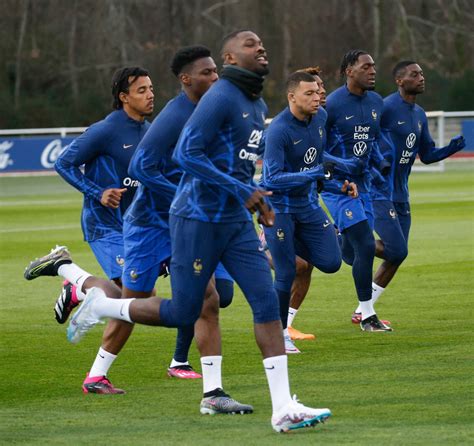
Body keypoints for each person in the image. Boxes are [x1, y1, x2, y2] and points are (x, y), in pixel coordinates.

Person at [63, 30, 332, 433]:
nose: (261, 48)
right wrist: (242, 191)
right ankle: (101, 309)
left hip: (230, 219)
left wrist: (254, 196)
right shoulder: (208, 102)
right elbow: (169, 160)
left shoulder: (253, 102)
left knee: (254, 299)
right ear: (227, 60)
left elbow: (235, 164)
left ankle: (281, 407)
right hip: (181, 219)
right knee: (177, 308)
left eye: (262, 43)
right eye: (250, 45)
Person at [261, 71, 358, 354]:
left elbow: (315, 160)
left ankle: (272, 243)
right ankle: (280, 335)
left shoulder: (321, 118)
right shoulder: (278, 130)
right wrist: (314, 173)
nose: (317, 98)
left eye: (318, 92)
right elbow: (271, 179)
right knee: (287, 271)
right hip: (279, 208)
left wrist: (341, 172)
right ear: (292, 97)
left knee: (331, 262)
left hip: (308, 207)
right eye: (309, 94)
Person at [50, 67, 153, 324]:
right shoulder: (105, 130)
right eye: (142, 90)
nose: (150, 95)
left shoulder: (152, 131)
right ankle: (65, 268)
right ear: (123, 97)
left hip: (136, 227)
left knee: (141, 298)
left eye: (151, 88)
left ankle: (77, 290)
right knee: (137, 300)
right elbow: (63, 163)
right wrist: (99, 193)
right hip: (104, 225)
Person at [366, 60, 466, 314]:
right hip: (380, 191)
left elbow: (428, 154)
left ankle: (364, 309)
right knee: (396, 249)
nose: (421, 78)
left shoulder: (419, 113)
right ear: (400, 80)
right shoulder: (386, 107)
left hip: (401, 193)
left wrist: (450, 149)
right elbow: (367, 139)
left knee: (397, 255)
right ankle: (350, 238)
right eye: (415, 74)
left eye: (422, 74)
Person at [320, 49, 393, 332]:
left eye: (374, 66)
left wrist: (380, 164)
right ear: (349, 70)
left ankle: (336, 236)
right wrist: (336, 172)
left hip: (365, 186)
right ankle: (366, 315)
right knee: (365, 244)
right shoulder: (332, 105)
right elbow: (317, 148)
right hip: (338, 187)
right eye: (366, 66)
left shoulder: (376, 102)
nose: (373, 70)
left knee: (352, 255)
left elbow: (372, 142)